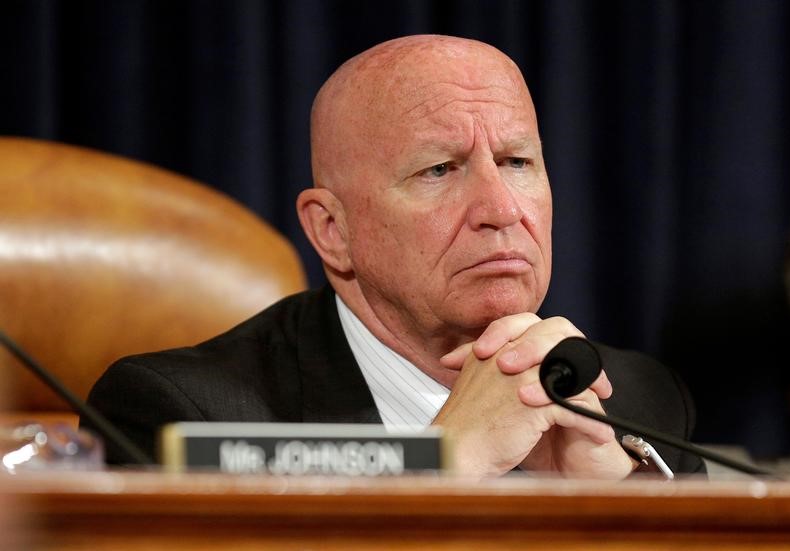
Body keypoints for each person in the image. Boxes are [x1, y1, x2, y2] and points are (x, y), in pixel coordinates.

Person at [84, 35, 704, 477]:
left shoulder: (641, 402)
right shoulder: (181, 419)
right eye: (439, 170)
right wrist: (443, 469)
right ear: (332, 230)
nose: (501, 208)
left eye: (518, 162)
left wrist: (623, 507)